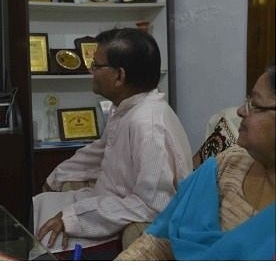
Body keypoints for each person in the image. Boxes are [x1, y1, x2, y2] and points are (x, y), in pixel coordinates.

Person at [33, 27, 193, 260]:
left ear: (119, 76)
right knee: (39, 204)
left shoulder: (148, 125)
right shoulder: (127, 107)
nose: (91, 70)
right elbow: (100, 151)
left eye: (97, 66)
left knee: (44, 246)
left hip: (123, 225)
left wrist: (75, 219)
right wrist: (56, 177)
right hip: (107, 203)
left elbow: (154, 206)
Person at [116, 65, 276, 261]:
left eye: (255, 104)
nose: (242, 111)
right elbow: (159, 239)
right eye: (247, 101)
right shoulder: (227, 164)